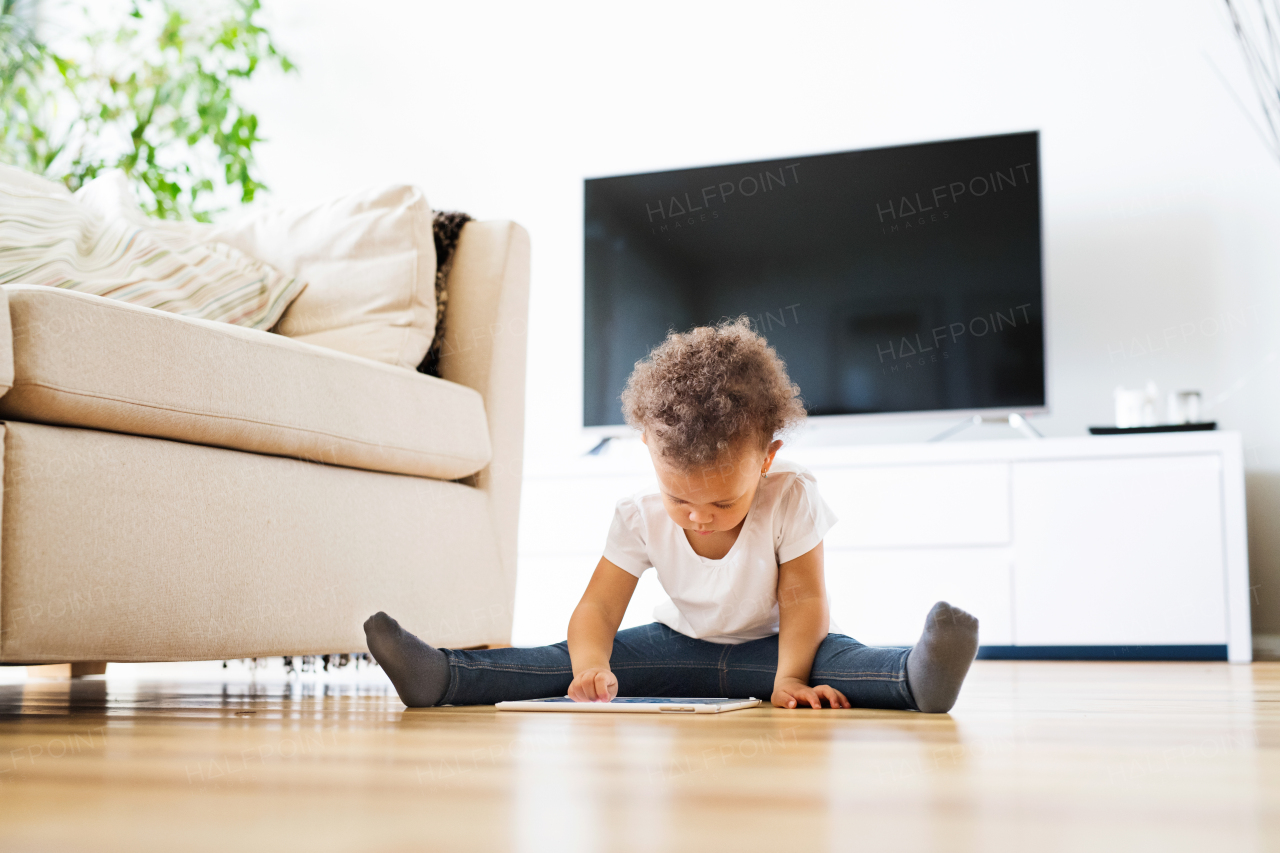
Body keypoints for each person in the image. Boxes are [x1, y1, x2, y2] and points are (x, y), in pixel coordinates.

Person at [364, 317, 979, 712]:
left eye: (722, 502)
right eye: (679, 498)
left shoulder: (790, 497)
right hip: (673, 648)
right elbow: (599, 609)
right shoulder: (637, 516)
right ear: (649, 455)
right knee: (551, 660)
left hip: (779, 649)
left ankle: (917, 675)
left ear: (768, 459)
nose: (698, 518)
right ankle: (442, 677)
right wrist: (590, 668)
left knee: (845, 666)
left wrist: (788, 680)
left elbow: (804, 602)